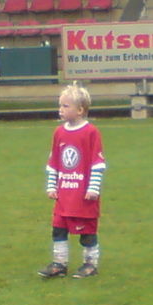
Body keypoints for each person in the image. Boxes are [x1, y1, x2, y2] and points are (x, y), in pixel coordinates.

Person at [38, 83, 107, 279]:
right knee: (58, 229)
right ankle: (60, 263)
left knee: (87, 233)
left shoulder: (91, 132)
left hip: (83, 195)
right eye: (60, 105)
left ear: (80, 110)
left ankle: (90, 264)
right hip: (64, 195)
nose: (61, 109)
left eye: (65, 106)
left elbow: (97, 163)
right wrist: (52, 185)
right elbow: (54, 162)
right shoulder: (59, 132)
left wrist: (93, 188)